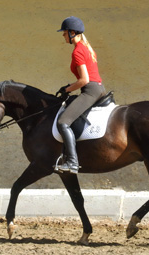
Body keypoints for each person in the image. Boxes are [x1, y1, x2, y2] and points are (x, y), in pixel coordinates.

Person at [55, 16, 106, 174]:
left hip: (90, 90)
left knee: (63, 122)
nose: (63, 35)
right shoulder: (86, 48)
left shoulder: (78, 51)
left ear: (72, 33)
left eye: (64, 33)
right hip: (98, 88)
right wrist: (69, 87)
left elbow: (84, 80)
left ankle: (72, 163)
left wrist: (67, 90)